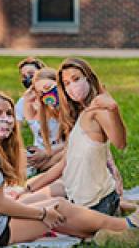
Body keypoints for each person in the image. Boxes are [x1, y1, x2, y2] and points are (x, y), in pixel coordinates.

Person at [0, 91, 139, 247]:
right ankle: (126, 227)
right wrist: (43, 214)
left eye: (9, 114)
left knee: (51, 202)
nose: (5, 119)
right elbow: (0, 205)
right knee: (58, 208)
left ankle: (101, 234)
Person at [18, 58, 127, 216]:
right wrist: (27, 189)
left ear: (88, 78)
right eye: (67, 83)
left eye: (76, 79)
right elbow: (64, 163)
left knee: (35, 215)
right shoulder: (77, 114)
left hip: (96, 204)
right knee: (22, 203)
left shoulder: (98, 109)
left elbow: (120, 143)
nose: (72, 87)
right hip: (74, 193)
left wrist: (113, 110)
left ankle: (121, 222)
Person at [23, 68, 65, 172]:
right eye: (41, 92)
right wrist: (28, 100)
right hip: (39, 155)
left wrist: (46, 153)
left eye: (48, 87)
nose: (47, 94)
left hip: (57, 155)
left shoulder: (70, 112)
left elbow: (73, 142)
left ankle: (39, 168)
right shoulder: (38, 110)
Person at [15, 57, 46, 124]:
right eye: (24, 76)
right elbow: (15, 127)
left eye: (31, 74)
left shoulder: (56, 96)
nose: (28, 79)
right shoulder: (23, 102)